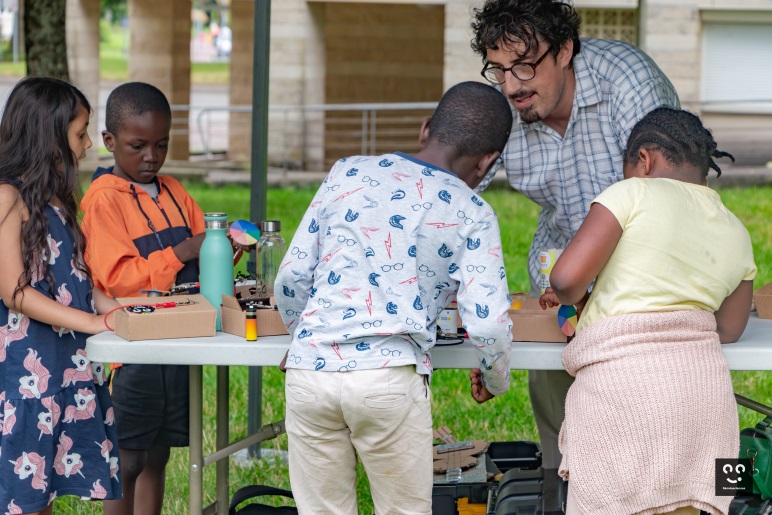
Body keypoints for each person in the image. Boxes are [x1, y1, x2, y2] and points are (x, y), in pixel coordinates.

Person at [275, 81, 513, 514]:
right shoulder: (472, 211)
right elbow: (489, 322)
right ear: (488, 161)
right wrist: (495, 380)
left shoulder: (346, 172)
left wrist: (304, 337)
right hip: (387, 378)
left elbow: (291, 276)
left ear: (425, 129)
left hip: (309, 373)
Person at [470, 0, 681, 469]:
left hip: (643, 287)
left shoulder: (628, 82)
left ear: (564, 50)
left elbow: (669, 203)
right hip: (559, 288)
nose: (511, 86)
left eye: (524, 66)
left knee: (644, 448)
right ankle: (563, 488)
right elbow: (450, 198)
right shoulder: (507, 103)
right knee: (564, 447)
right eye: (498, 70)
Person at [540, 107, 756, 515]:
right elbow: (729, 328)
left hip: (624, 396)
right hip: (706, 408)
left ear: (644, 160)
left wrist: (574, 294)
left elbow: (566, 279)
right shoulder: (736, 229)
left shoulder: (632, 193)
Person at [80, 82, 205, 515]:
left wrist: (219, 247)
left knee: (158, 452)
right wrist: (182, 252)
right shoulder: (103, 200)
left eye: (161, 144)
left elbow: (202, 250)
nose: (151, 156)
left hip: (178, 340)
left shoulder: (174, 191)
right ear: (109, 141)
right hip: (131, 348)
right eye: (138, 146)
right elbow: (118, 279)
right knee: (128, 457)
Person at [0, 77, 121, 514]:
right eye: (80, 134)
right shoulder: (7, 197)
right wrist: (93, 323)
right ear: (49, 137)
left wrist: (122, 310)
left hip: (64, 367)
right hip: (24, 374)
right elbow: (14, 292)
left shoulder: (57, 199)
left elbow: (78, 281)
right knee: (23, 499)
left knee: (42, 492)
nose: (88, 145)